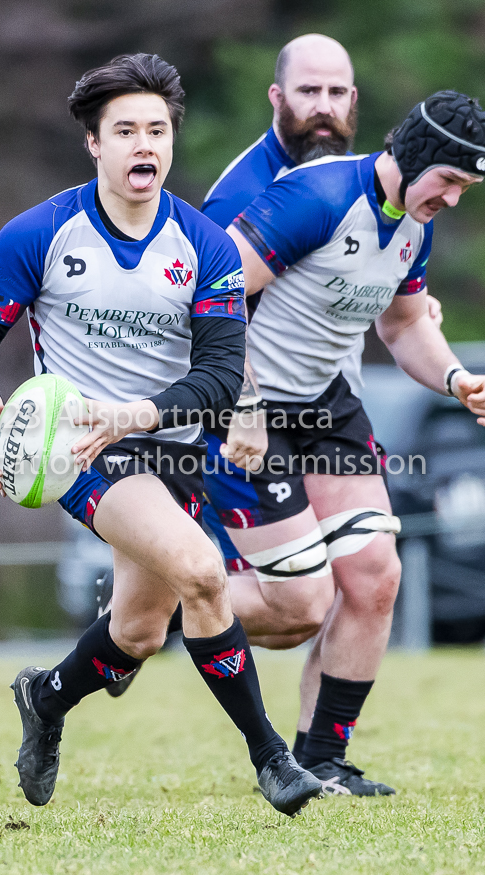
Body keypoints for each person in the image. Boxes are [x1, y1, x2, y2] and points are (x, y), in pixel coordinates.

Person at [0, 53, 322, 817]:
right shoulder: (40, 233)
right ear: (94, 143)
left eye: (156, 130)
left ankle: (46, 698)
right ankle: (274, 759)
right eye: (124, 131)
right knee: (204, 572)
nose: (143, 145)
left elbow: (221, 374)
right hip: (83, 447)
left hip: (170, 444)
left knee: (140, 630)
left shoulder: (205, 246)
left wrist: (141, 411)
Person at [204, 89, 485, 796]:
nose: (454, 199)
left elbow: (402, 325)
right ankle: (164, 599)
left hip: (328, 410)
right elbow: (215, 290)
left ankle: (322, 758)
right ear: (415, 157)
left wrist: (456, 378)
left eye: (467, 188)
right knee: (300, 604)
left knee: (374, 576)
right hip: (253, 408)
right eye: (450, 181)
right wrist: (240, 399)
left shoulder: (414, 226)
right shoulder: (318, 196)